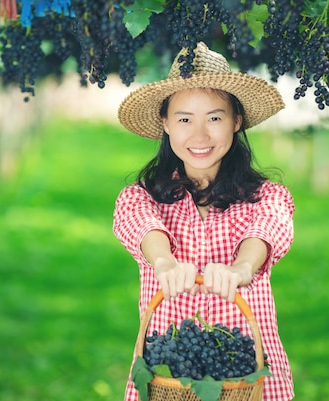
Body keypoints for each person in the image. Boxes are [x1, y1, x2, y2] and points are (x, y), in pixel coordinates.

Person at [113, 41, 295, 401]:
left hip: (249, 382)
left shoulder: (267, 196)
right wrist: (164, 262)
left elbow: (268, 228)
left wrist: (242, 269)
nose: (199, 136)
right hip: (168, 383)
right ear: (165, 123)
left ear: (236, 121)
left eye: (214, 118)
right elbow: (141, 224)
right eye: (184, 120)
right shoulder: (141, 197)